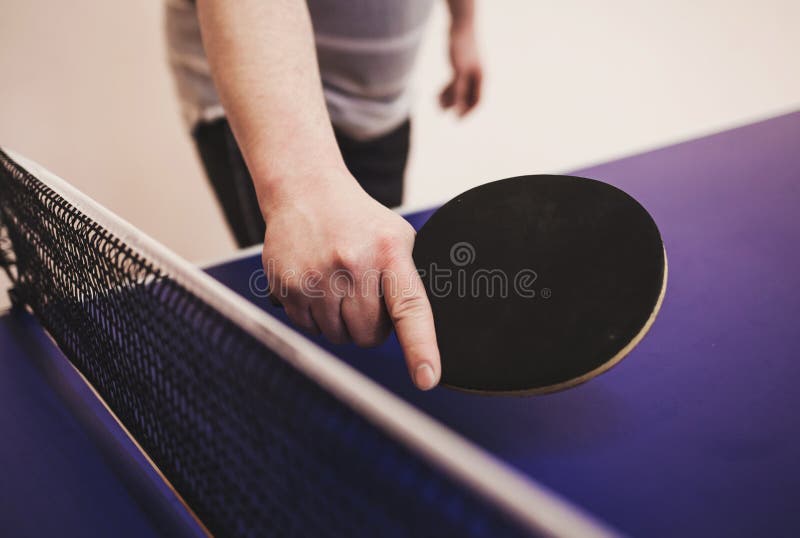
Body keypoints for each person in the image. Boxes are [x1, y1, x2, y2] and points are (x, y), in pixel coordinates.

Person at [165, 0, 483, 390]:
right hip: (269, 101)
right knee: (314, 356)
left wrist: (462, 24)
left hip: (380, 106)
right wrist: (302, 187)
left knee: (371, 315)